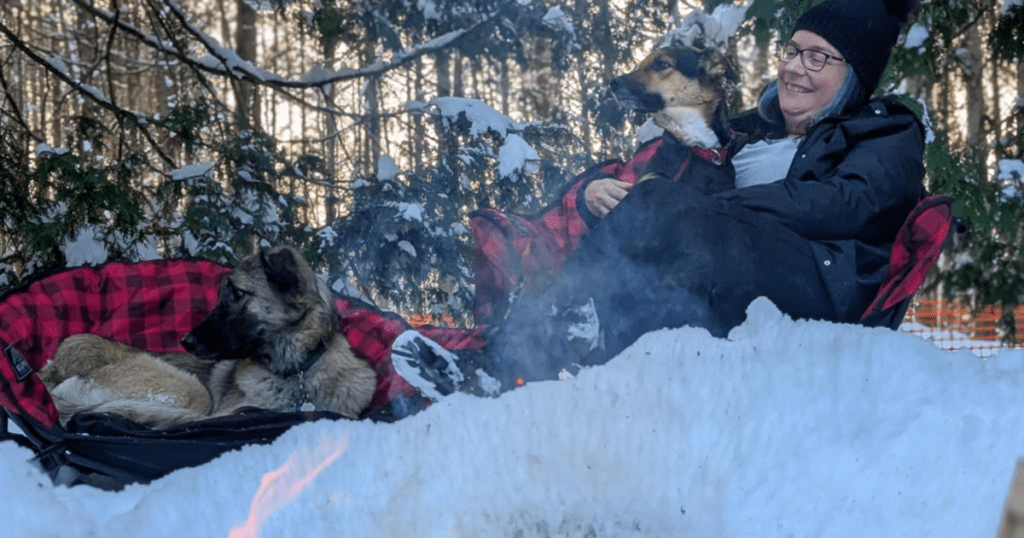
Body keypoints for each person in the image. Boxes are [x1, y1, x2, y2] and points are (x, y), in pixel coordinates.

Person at [391, 0, 926, 400]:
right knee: (636, 265)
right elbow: (650, 178)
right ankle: (511, 368)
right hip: (727, 274)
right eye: (791, 51)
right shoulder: (744, 133)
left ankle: (520, 352)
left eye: (818, 57)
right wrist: (592, 195)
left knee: (656, 209)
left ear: (852, 77)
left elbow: (846, 203)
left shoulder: (885, 129)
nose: (793, 68)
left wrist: (696, 210)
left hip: (820, 282)